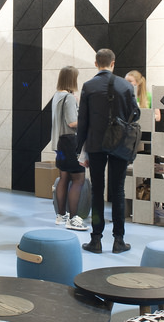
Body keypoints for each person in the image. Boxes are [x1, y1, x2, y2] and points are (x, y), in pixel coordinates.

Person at [77, 48, 140, 254]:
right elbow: (135, 113)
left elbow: (83, 120)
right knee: (118, 190)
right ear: (113, 63)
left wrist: (80, 148)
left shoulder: (88, 86)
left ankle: (96, 239)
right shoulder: (126, 85)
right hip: (119, 143)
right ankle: (118, 240)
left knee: (97, 191)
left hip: (95, 144)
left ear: (96, 63)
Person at [51, 66, 87, 231]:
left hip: (60, 143)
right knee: (78, 179)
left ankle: (61, 215)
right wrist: (86, 119)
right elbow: (72, 122)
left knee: (64, 178)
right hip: (71, 142)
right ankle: (73, 219)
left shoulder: (57, 96)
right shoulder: (69, 98)